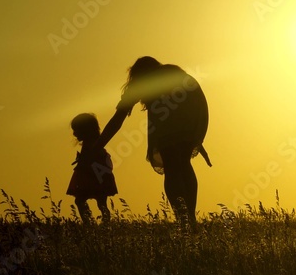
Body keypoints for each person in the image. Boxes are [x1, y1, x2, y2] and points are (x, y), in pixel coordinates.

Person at [89, 57, 211, 225]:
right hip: (190, 126)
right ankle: (190, 218)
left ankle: (183, 220)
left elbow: (118, 119)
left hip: (169, 130)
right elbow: (197, 103)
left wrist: (97, 146)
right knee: (184, 166)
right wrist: (197, 135)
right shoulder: (177, 75)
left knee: (172, 170)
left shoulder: (144, 82)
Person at [67, 113, 116, 224]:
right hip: (92, 176)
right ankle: (96, 223)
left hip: (93, 176)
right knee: (99, 203)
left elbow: (98, 160)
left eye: (76, 130)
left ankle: (90, 223)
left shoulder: (94, 145)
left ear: (85, 130)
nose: (74, 133)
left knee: (83, 201)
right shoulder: (91, 143)